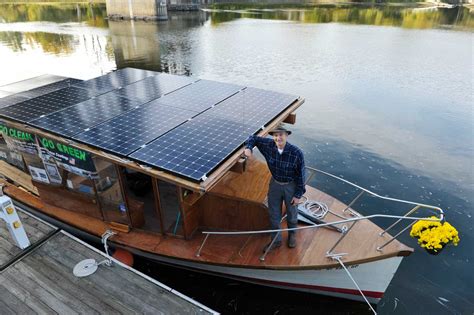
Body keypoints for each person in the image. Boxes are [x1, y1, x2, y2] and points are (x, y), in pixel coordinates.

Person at [244, 126, 306, 251]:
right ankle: (276, 241)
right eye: (275, 135)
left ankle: (292, 234)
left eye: (281, 135)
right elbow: (253, 138)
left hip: (291, 185)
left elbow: (301, 175)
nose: (278, 138)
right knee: (274, 213)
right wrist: (248, 148)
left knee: (292, 212)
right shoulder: (268, 145)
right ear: (273, 137)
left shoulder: (296, 153)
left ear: (286, 135)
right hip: (275, 184)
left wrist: (298, 194)